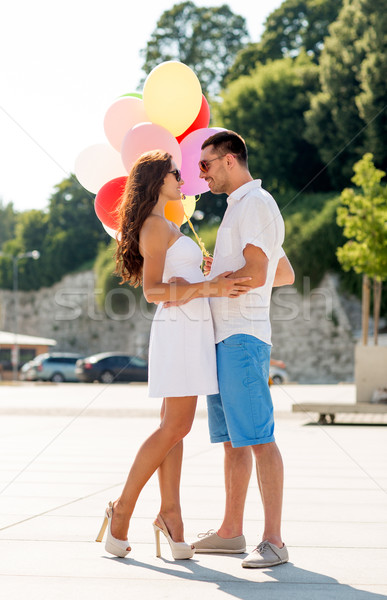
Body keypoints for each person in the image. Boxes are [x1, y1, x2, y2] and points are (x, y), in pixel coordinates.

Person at [95, 150, 251, 560]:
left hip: (192, 330)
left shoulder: (168, 223)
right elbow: (152, 292)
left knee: (173, 428)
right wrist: (208, 288)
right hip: (179, 332)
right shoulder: (152, 225)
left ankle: (170, 514)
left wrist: (205, 276)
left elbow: (176, 283)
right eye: (175, 173)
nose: (183, 178)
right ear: (156, 180)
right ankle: (122, 509)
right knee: (176, 427)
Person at [190, 130, 295, 568]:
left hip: (242, 337)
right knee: (235, 442)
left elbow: (256, 273)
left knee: (259, 438)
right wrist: (228, 268)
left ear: (229, 160)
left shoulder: (256, 203)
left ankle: (274, 541)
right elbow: (282, 272)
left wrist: (216, 280)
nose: (202, 175)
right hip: (227, 337)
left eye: (206, 165)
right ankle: (232, 532)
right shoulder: (242, 208)